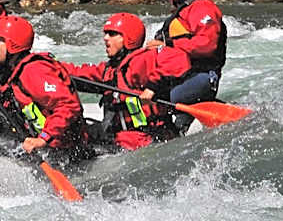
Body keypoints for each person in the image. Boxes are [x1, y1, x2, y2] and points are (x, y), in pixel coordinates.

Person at [62, 13, 192, 150]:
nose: (105, 38)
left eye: (112, 34)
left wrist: (153, 87)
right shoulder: (110, 70)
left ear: (129, 39)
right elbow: (76, 73)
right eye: (106, 34)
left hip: (145, 139)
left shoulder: (142, 59)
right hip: (119, 138)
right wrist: (47, 66)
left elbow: (179, 58)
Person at [0, 16, 91, 162]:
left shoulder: (34, 70)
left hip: (66, 154)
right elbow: (15, 98)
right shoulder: (17, 71)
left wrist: (43, 139)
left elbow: (68, 106)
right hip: (48, 149)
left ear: (12, 43)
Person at [144, 0, 226, 131]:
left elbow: (207, 45)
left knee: (169, 97)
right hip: (181, 75)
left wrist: (168, 46)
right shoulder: (183, 11)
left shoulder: (203, 8)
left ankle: (180, 127)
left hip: (202, 76)